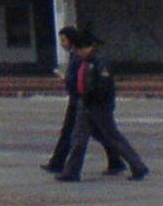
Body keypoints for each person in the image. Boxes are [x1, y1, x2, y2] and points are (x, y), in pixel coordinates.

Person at [55, 29, 149, 182]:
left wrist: (94, 100)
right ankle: (71, 171)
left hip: (98, 106)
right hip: (85, 104)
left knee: (113, 137)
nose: (77, 54)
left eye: (78, 51)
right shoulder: (87, 61)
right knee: (78, 139)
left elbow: (104, 87)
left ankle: (138, 166)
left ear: (83, 48)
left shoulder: (99, 61)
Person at [42, 25, 123, 176]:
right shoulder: (77, 55)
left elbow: (87, 79)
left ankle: (61, 165)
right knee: (97, 133)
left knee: (83, 134)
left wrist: (72, 84)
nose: (62, 44)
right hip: (81, 100)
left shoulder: (82, 56)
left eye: (64, 40)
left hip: (84, 101)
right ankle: (117, 161)